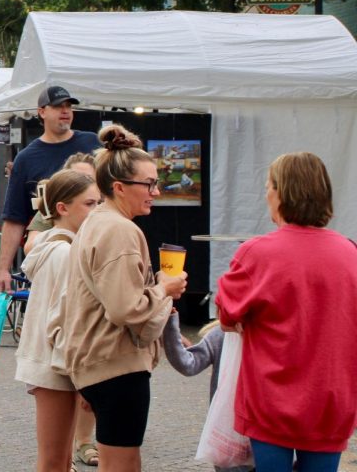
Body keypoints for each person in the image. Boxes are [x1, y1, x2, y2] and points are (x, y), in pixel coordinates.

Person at [51, 126, 187, 472]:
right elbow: (125, 307)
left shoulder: (99, 222)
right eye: (149, 184)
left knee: (118, 459)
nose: (156, 191)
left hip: (100, 363)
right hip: (117, 365)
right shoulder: (119, 229)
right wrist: (164, 290)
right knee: (123, 464)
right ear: (120, 187)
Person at [214, 152, 357, 472]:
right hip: (331, 400)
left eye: (268, 186)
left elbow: (226, 316)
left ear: (281, 193)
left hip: (271, 399)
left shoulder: (256, 253)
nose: (266, 193)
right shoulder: (350, 252)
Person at [15, 169, 100, 472]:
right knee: (53, 461)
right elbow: (63, 320)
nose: (96, 211)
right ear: (63, 208)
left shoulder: (56, 245)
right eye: (89, 204)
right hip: (56, 364)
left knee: (59, 460)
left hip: (52, 362)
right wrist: (85, 379)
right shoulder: (64, 252)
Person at [0, 86, 101, 292]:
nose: (66, 111)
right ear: (42, 111)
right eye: (58, 106)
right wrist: (3, 269)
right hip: (53, 262)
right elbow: (14, 217)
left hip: (95, 251)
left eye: (69, 106)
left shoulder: (93, 142)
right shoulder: (26, 158)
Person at [161, 314, 253, 472]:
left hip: (264, 435)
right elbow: (188, 364)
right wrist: (169, 324)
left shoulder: (270, 333)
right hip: (230, 436)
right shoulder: (221, 334)